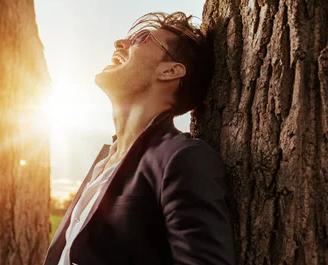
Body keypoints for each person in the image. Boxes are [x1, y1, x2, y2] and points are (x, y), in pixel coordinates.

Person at [43, 12, 236, 265]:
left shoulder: (183, 159)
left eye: (141, 39)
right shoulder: (103, 164)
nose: (120, 44)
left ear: (170, 71)